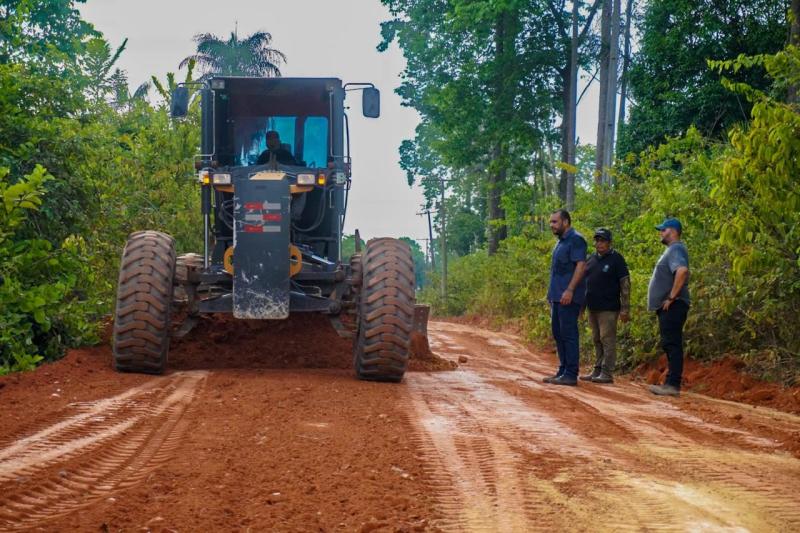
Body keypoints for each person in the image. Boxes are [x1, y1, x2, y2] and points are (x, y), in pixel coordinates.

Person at [579, 228, 630, 384]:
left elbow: (625, 285)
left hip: (609, 308)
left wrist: (625, 308)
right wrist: (581, 307)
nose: (599, 243)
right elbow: (584, 284)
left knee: (607, 339)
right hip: (592, 307)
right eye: (597, 240)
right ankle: (597, 369)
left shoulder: (617, 259)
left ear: (609, 242)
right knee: (596, 339)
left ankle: (607, 372)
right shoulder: (591, 259)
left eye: (603, 241)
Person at [544, 209, 588, 386]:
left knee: (569, 334)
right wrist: (551, 294)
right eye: (551, 222)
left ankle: (571, 373)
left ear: (566, 222)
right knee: (558, 332)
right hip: (557, 296)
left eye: (555, 222)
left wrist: (570, 290)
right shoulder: (560, 242)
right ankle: (563, 370)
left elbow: (581, 266)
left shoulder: (576, 239)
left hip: (569, 296)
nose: (551, 225)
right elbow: (557, 272)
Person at [647, 218, 690, 397]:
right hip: (671, 306)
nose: (661, 233)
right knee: (670, 343)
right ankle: (670, 383)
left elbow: (682, 271)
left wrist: (671, 297)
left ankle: (672, 385)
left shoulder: (676, 249)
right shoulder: (672, 250)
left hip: (674, 305)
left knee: (672, 344)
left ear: (672, 231)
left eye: (663, 230)